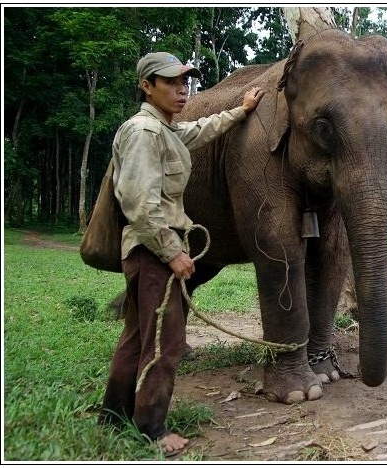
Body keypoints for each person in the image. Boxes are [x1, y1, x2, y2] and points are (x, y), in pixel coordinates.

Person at [99, 51, 264, 455]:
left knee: (137, 338)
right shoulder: (143, 133)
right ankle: (150, 428)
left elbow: (202, 130)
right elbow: (139, 204)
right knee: (165, 344)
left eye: (184, 81)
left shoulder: (167, 130)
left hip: (149, 253)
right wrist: (173, 252)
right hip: (153, 252)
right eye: (171, 81)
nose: (181, 88)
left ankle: (112, 414)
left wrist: (241, 112)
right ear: (146, 86)